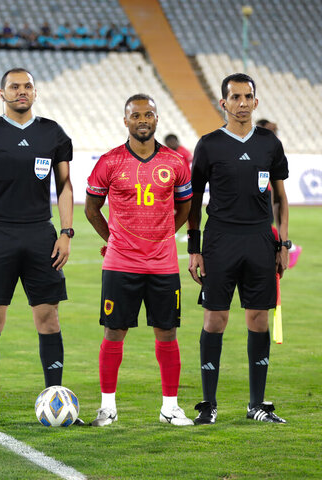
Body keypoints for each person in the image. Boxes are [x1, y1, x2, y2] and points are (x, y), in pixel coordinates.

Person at [0, 68, 74, 425]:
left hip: (41, 234)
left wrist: (66, 232)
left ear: (35, 92)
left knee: (48, 317)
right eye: (14, 87)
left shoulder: (52, 133)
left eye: (27, 86)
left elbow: (65, 186)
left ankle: (56, 400)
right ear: (1, 93)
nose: (21, 92)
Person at [85, 94, 194, 427]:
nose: (142, 120)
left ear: (157, 119)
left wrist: (163, 236)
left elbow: (185, 207)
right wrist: (115, 239)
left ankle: (170, 408)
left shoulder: (176, 162)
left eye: (149, 114)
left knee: (167, 332)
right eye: (136, 115)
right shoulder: (109, 162)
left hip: (163, 265)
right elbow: (91, 210)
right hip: (121, 264)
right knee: (114, 332)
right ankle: (107, 408)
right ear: (125, 120)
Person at [188, 73, 289, 424]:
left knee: (258, 319)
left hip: (260, 240)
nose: (242, 103)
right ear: (224, 103)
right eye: (235, 97)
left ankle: (257, 405)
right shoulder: (209, 144)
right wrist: (194, 247)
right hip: (219, 240)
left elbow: (279, 197)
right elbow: (195, 198)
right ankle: (208, 404)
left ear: (256, 102)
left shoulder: (269, 144)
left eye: (248, 97)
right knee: (215, 319)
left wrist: (283, 242)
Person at [255, 119, 302, 269]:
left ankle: (291, 248)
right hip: (265, 190)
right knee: (264, 225)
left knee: (265, 225)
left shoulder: (269, 146)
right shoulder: (270, 144)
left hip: (266, 191)